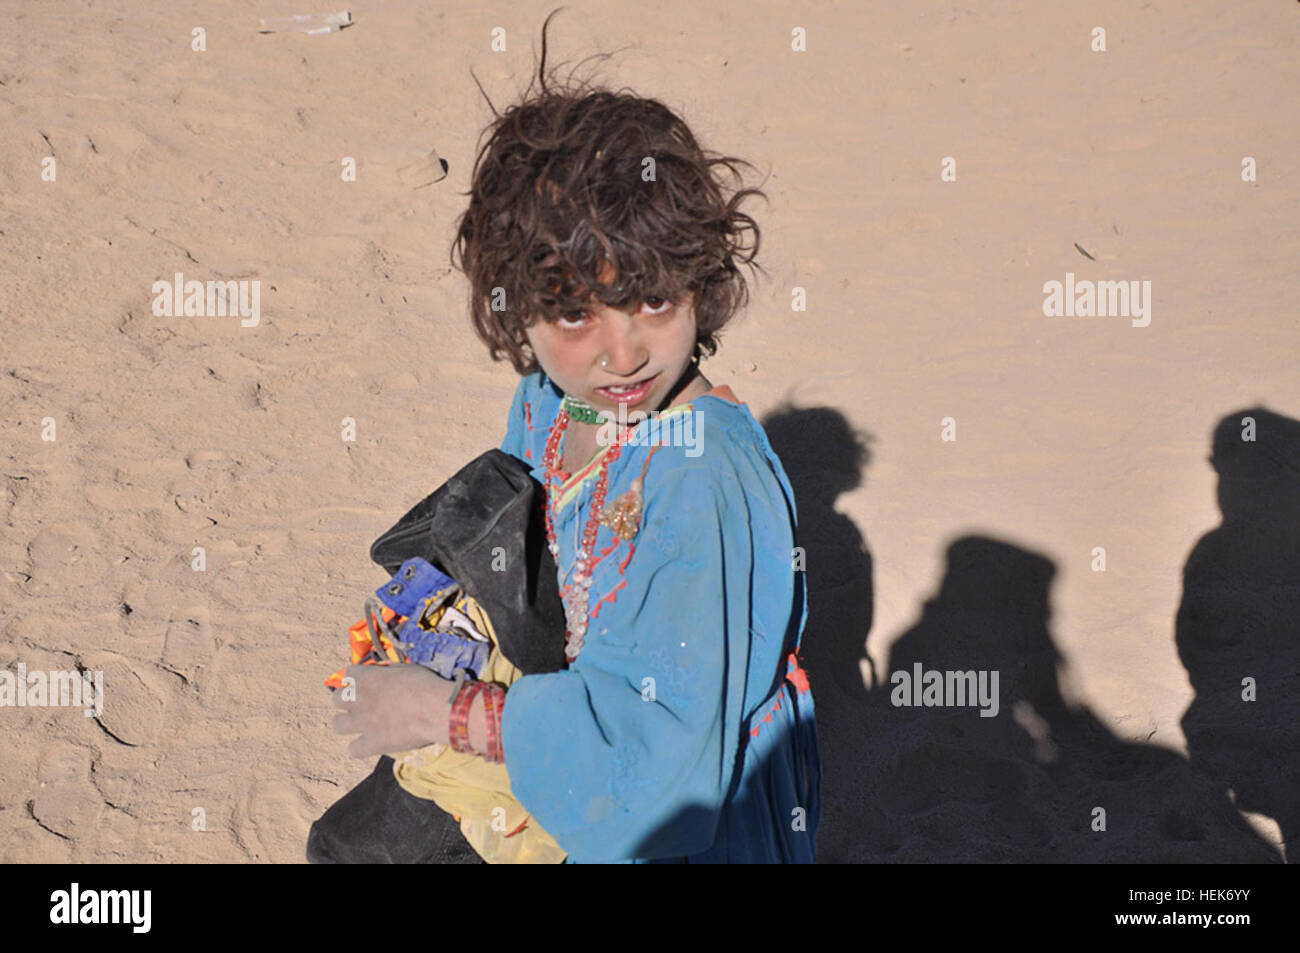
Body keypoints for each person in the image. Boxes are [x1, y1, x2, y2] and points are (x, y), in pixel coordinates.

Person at [329, 11, 821, 863]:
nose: (621, 351)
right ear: (516, 310)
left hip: (667, 817)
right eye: (570, 312)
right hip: (567, 745)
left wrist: (435, 711)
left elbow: (662, 767)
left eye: (653, 300)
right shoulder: (552, 404)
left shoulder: (699, 483)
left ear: (702, 284)